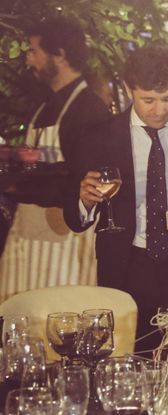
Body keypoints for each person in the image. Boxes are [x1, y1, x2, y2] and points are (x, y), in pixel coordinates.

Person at [64, 45, 168, 354]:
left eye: (167, 98)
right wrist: (85, 200)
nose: (158, 110)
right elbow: (74, 217)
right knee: (129, 360)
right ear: (129, 90)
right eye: (148, 100)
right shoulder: (99, 137)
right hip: (127, 268)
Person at [0, 17, 110, 302]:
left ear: (59, 54)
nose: (28, 60)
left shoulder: (88, 109)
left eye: (33, 51)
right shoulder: (46, 105)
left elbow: (81, 181)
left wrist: (18, 185)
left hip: (65, 253)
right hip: (26, 243)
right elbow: (42, 162)